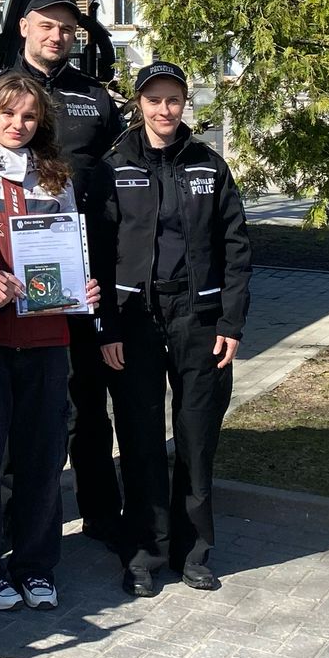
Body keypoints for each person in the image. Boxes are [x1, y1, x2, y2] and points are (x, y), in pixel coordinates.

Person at [0, 70, 101, 613]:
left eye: (30, 115)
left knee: (42, 459)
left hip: (46, 339)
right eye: (8, 113)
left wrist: (82, 287)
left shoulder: (57, 179)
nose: (18, 124)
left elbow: (69, 253)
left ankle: (36, 565)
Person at [100, 63, 251, 597]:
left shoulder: (209, 165)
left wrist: (231, 321)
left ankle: (194, 551)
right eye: (154, 99)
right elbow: (97, 251)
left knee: (196, 436)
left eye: (173, 99)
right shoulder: (114, 165)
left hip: (199, 318)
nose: (164, 110)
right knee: (140, 437)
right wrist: (106, 327)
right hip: (134, 319)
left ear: (185, 103)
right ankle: (145, 553)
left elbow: (236, 247)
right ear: (139, 104)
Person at [7, 0, 126, 551]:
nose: (57, 36)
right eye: (47, 25)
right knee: (20, 406)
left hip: (83, 274)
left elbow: (119, 175)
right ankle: (16, 520)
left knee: (89, 400)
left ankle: (100, 513)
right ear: (25, 26)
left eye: (67, 29)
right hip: (13, 277)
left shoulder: (95, 98)